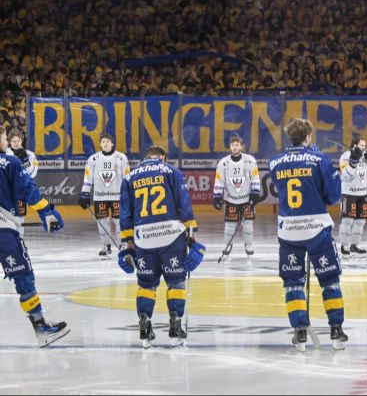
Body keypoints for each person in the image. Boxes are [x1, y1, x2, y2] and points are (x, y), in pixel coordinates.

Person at [269, 118, 347, 351]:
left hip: (289, 231)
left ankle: (299, 331)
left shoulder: (275, 162)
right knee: (330, 280)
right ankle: (336, 330)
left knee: (293, 284)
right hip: (317, 230)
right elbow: (334, 196)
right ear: (308, 137)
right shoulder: (320, 159)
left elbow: (278, 188)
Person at [118, 147, 203, 348]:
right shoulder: (172, 172)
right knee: (176, 282)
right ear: (163, 157)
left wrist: (129, 243)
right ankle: (175, 326)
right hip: (171, 237)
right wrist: (192, 237)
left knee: (146, 284)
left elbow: (125, 213)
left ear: (145, 158)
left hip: (144, 239)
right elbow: (184, 204)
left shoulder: (129, 178)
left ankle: (145, 325)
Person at [0, 129, 68, 347]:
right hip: (4, 230)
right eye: (3, 137)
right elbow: (27, 189)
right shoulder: (9, 162)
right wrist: (46, 211)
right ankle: (41, 328)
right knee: (24, 278)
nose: (6, 141)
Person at [80, 133, 131, 258]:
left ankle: (122, 245)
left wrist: (129, 193)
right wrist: (85, 193)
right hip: (100, 197)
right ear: (100, 144)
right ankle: (106, 246)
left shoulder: (121, 158)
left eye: (108, 142)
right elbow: (88, 178)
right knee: (102, 223)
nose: (105, 144)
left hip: (117, 197)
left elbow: (127, 177)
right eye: (103, 142)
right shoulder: (93, 159)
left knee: (119, 222)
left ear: (112, 143)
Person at [212, 134, 261, 259]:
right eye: (232, 145)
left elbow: (255, 177)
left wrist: (255, 192)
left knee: (248, 224)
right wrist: (217, 196)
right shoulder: (223, 163)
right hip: (230, 200)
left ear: (241, 146)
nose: (234, 147)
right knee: (229, 225)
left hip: (246, 199)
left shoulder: (250, 160)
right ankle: (228, 245)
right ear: (230, 147)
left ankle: (248, 245)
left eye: (237, 145)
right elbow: (219, 180)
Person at [338, 135, 367, 256]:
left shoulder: (365, 155)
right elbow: (346, 173)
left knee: (360, 221)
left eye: (365, 146)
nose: (364, 148)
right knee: (347, 221)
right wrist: (353, 161)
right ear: (355, 145)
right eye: (362, 145)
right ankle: (344, 246)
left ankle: (355, 245)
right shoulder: (345, 156)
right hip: (348, 193)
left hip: (362, 194)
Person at [8, 130, 37, 218]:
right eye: (14, 141)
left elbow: (33, 172)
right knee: (8, 215)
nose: (16, 143)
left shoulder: (30, 154)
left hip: (21, 190)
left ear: (22, 141)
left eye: (18, 141)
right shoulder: (5, 154)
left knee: (21, 216)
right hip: (7, 190)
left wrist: (26, 162)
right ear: (9, 142)